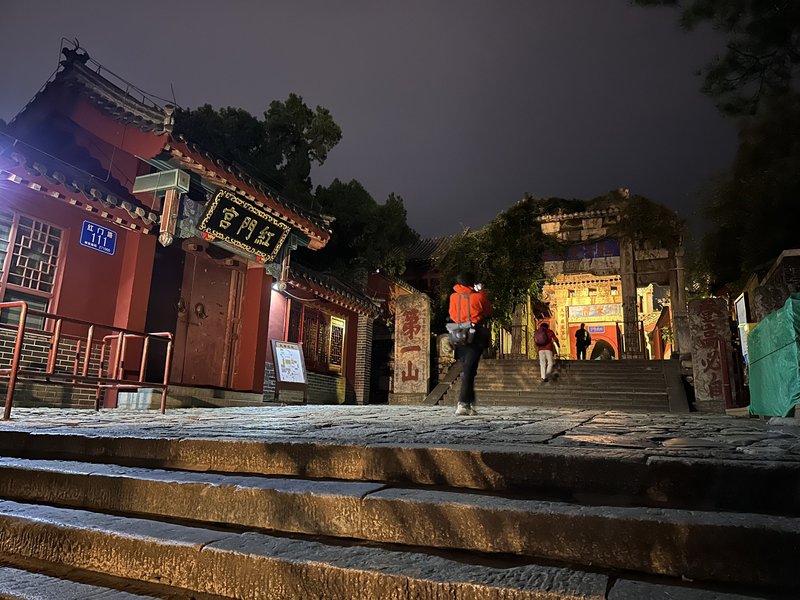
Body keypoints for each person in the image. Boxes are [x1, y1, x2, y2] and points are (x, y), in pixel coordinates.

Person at [448, 273, 492, 416]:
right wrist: (481, 292)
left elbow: (452, 314)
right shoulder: (478, 296)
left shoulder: (453, 297)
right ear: (472, 284)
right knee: (469, 369)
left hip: (459, 333)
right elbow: (487, 310)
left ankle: (470, 403)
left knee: (469, 369)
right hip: (474, 333)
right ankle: (462, 403)